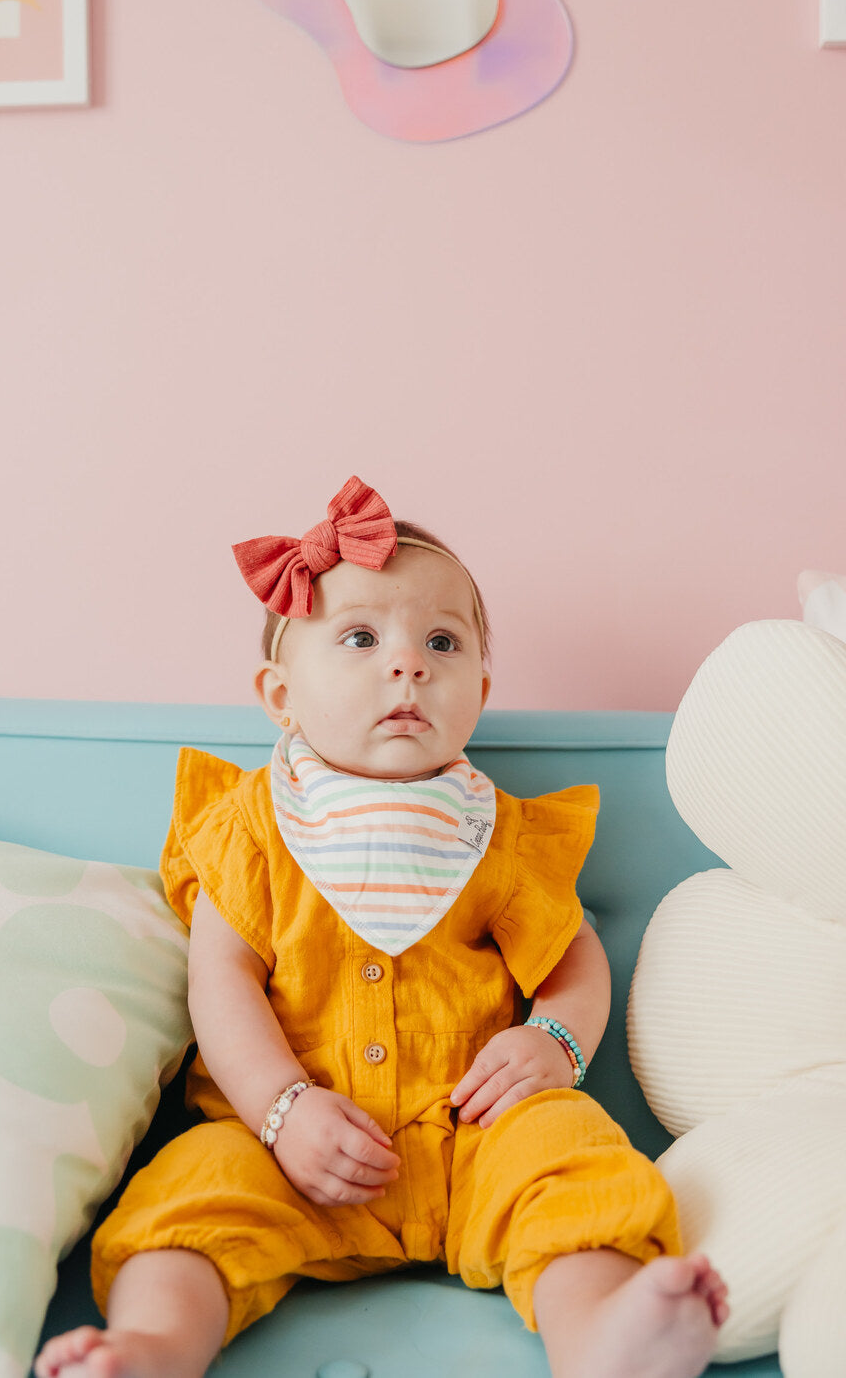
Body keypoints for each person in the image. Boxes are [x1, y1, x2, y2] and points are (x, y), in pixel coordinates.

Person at [36, 477, 728, 1378]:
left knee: (569, 1154)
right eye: (361, 638)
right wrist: (280, 1111)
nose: (409, 665)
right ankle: (155, 1346)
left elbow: (572, 955)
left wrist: (555, 1040)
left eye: (442, 642)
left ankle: (600, 1332)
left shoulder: (498, 834)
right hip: (289, 1149)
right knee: (194, 1188)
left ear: (480, 688)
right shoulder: (252, 826)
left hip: (473, 1139)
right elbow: (222, 980)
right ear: (279, 695)